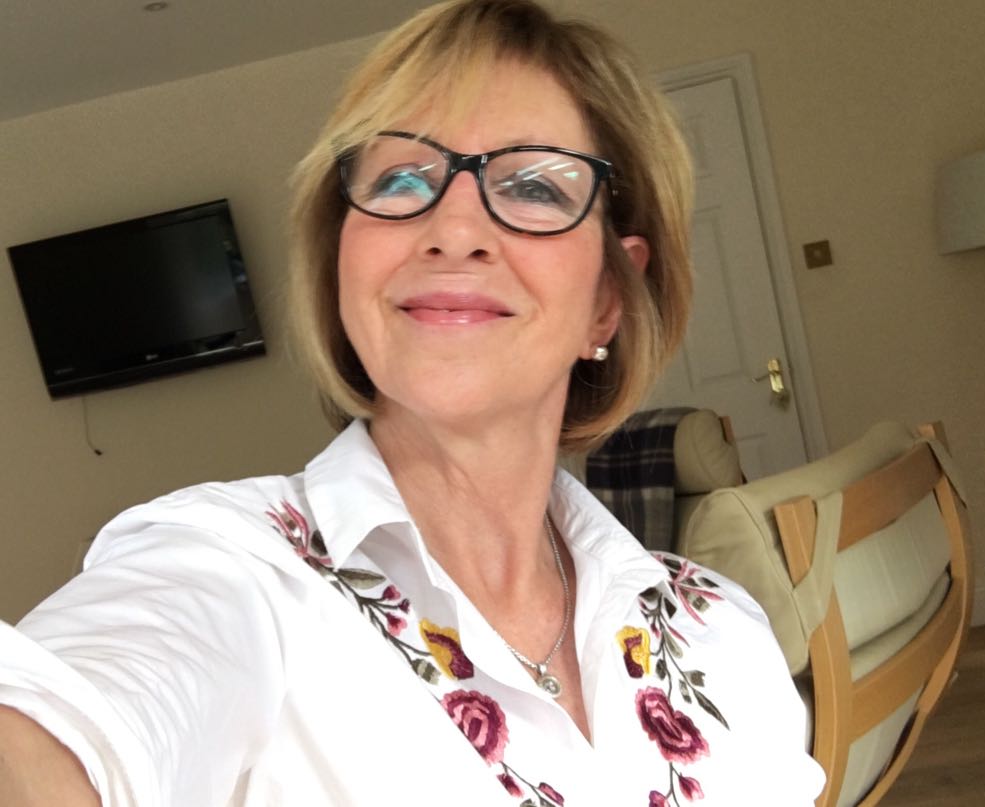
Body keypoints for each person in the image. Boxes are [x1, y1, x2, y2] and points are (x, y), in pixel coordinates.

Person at [0, 1, 825, 804]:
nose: (454, 229)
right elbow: (79, 713)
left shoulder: (722, 632)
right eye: (400, 179)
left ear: (607, 299)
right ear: (340, 263)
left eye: (536, 187)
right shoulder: (236, 571)